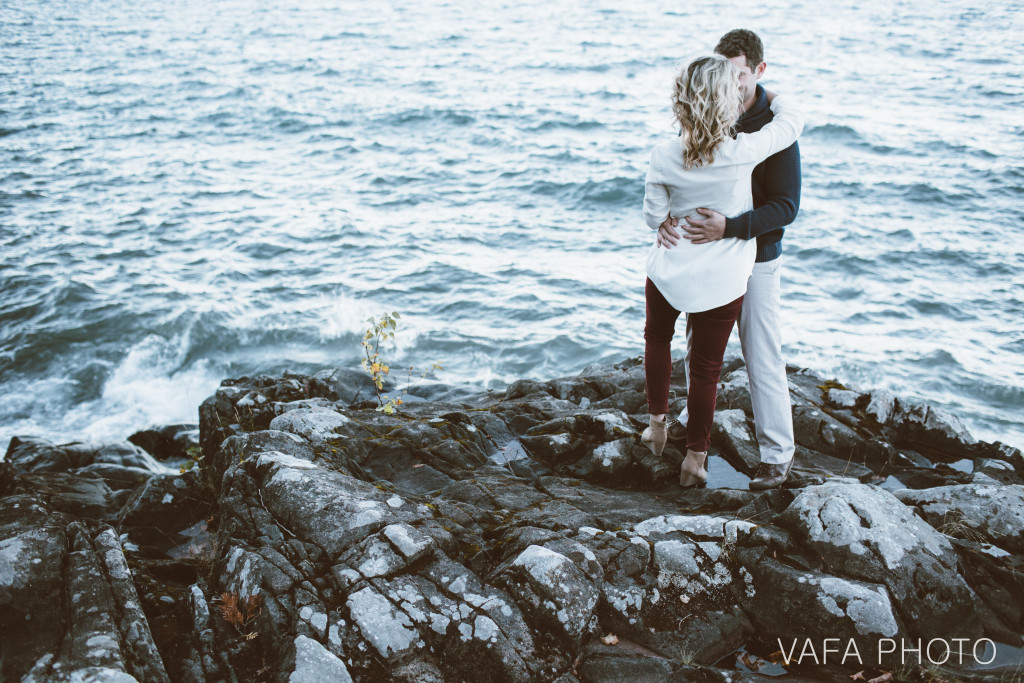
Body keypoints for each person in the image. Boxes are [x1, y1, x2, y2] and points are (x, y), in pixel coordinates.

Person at [639, 54, 804, 489]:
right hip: (721, 277)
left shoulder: (664, 153)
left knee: (662, 339)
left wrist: (666, 221)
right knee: (707, 366)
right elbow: (789, 126)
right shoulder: (740, 152)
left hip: (683, 269)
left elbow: (653, 214)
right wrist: (782, 97)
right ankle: (696, 457)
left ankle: (659, 424)